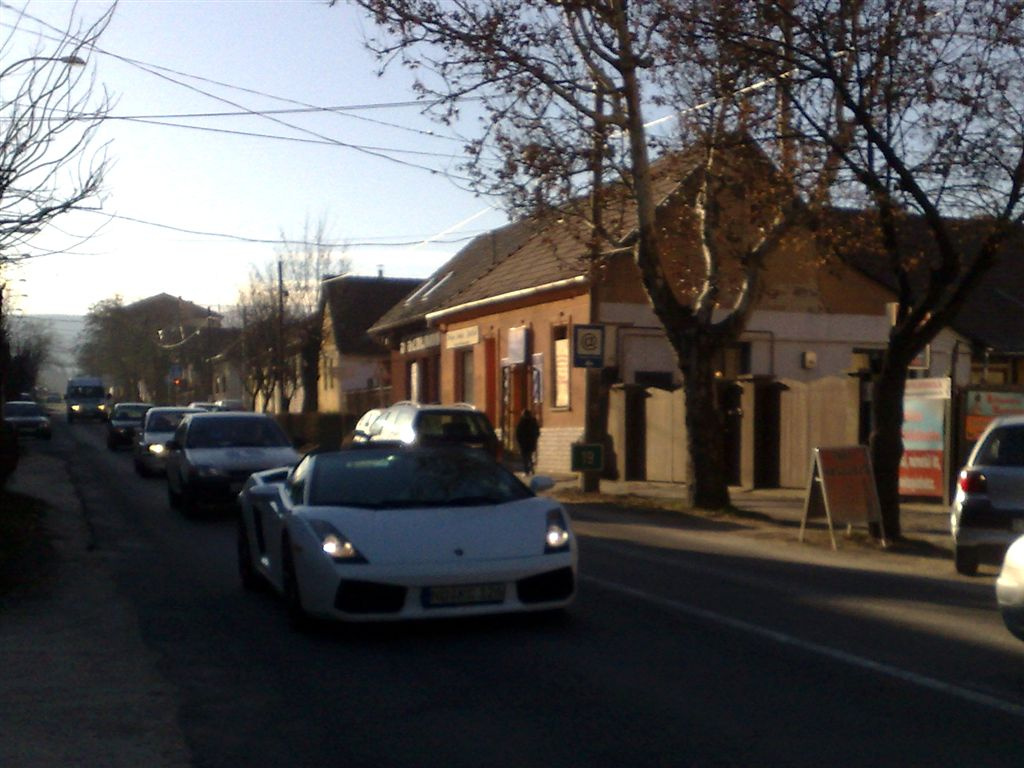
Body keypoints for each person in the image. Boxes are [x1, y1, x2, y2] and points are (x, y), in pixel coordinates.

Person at [515, 409, 540, 475]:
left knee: (525, 457)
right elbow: (537, 432)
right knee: (529, 456)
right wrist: (535, 439)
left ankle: (527, 471)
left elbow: (518, 433)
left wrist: (519, 441)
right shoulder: (533, 421)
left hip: (524, 443)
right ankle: (531, 469)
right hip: (531, 442)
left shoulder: (522, 422)